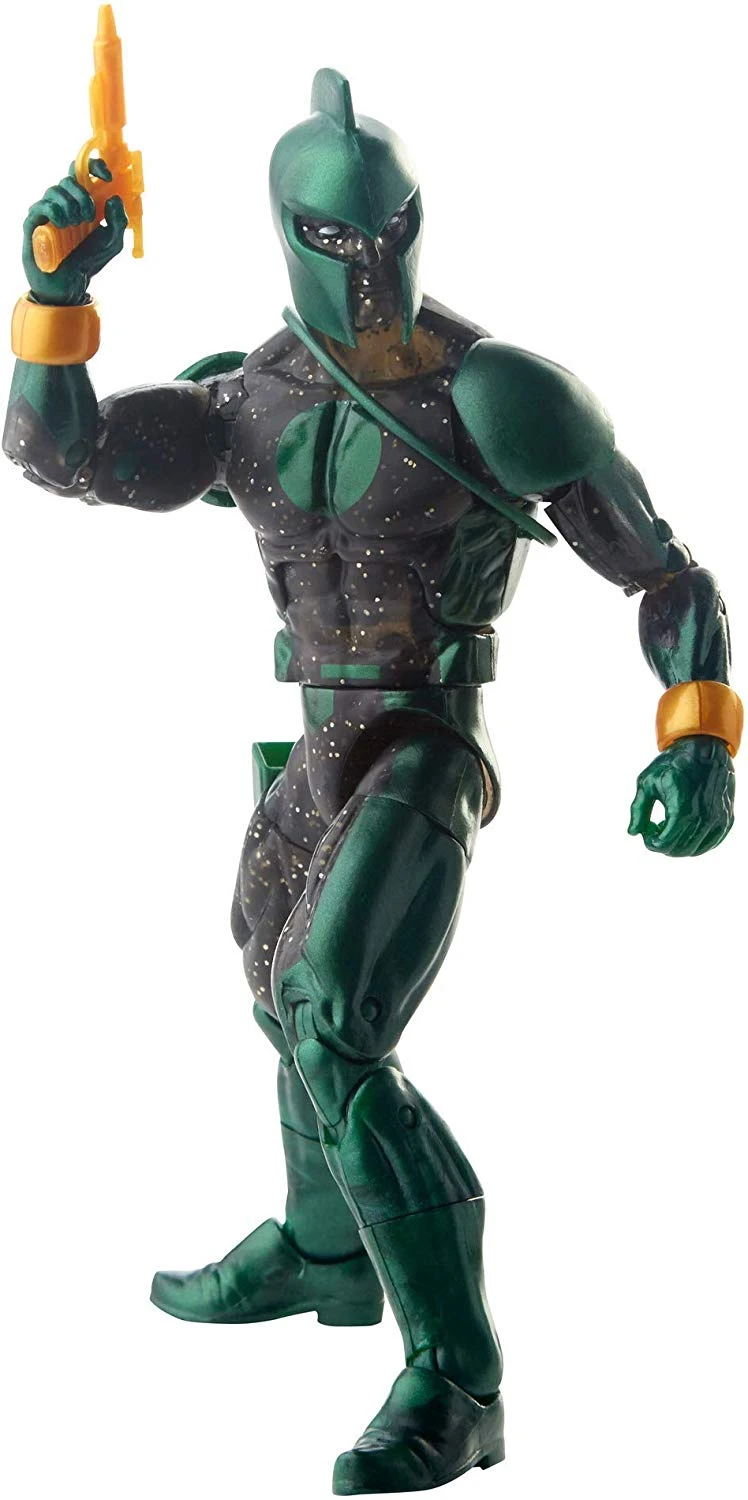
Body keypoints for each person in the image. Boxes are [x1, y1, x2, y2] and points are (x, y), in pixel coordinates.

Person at [4, 67, 740, 1496]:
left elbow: (664, 570)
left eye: (393, 229)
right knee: (274, 987)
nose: (373, 263)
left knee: (332, 1012)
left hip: (425, 746)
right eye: (340, 238)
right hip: (316, 749)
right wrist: (53, 291)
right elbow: (62, 453)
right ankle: (326, 1247)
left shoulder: (493, 394)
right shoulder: (248, 402)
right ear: (288, 234)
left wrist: (699, 729)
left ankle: (460, 1378)